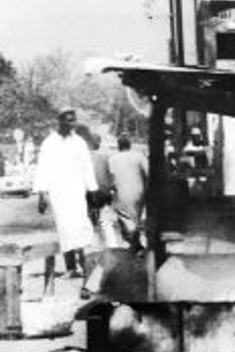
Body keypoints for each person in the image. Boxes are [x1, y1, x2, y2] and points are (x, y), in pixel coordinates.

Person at [33, 109, 98, 277]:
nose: (72, 124)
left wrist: (92, 191)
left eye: (74, 121)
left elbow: (87, 168)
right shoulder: (49, 143)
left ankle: (86, 267)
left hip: (77, 192)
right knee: (65, 229)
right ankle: (71, 268)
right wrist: (42, 195)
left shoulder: (79, 142)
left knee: (82, 227)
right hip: (58, 194)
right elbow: (42, 168)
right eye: (69, 121)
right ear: (60, 121)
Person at [107, 135, 149, 252]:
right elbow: (149, 173)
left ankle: (135, 246)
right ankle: (137, 246)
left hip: (121, 193)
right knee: (136, 218)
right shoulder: (139, 156)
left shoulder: (112, 159)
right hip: (139, 192)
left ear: (118, 146)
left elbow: (110, 177)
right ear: (130, 145)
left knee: (126, 220)